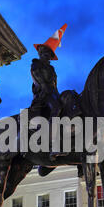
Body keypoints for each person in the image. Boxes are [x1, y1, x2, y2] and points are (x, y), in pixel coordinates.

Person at [30, 24, 68, 160]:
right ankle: (51, 142)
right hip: (43, 94)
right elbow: (38, 78)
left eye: (49, 54)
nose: (47, 56)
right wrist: (45, 87)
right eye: (45, 53)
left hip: (52, 93)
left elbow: (55, 84)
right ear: (40, 53)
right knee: (56, 107)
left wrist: (58, 95)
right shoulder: (36, 65)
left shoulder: (51, 69)